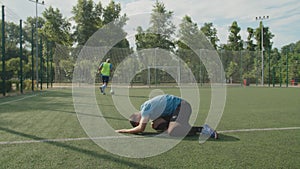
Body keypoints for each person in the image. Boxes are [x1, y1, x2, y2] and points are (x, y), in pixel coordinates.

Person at [115, 94, 218, 138]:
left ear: (137, 121)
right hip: (176, 110)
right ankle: (177, 126)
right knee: (155, 125)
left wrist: (124, 130)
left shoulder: (145, 110)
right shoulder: (145, 108)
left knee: (172, 132)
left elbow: (141, 129)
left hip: (182, 107)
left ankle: (202, 129)